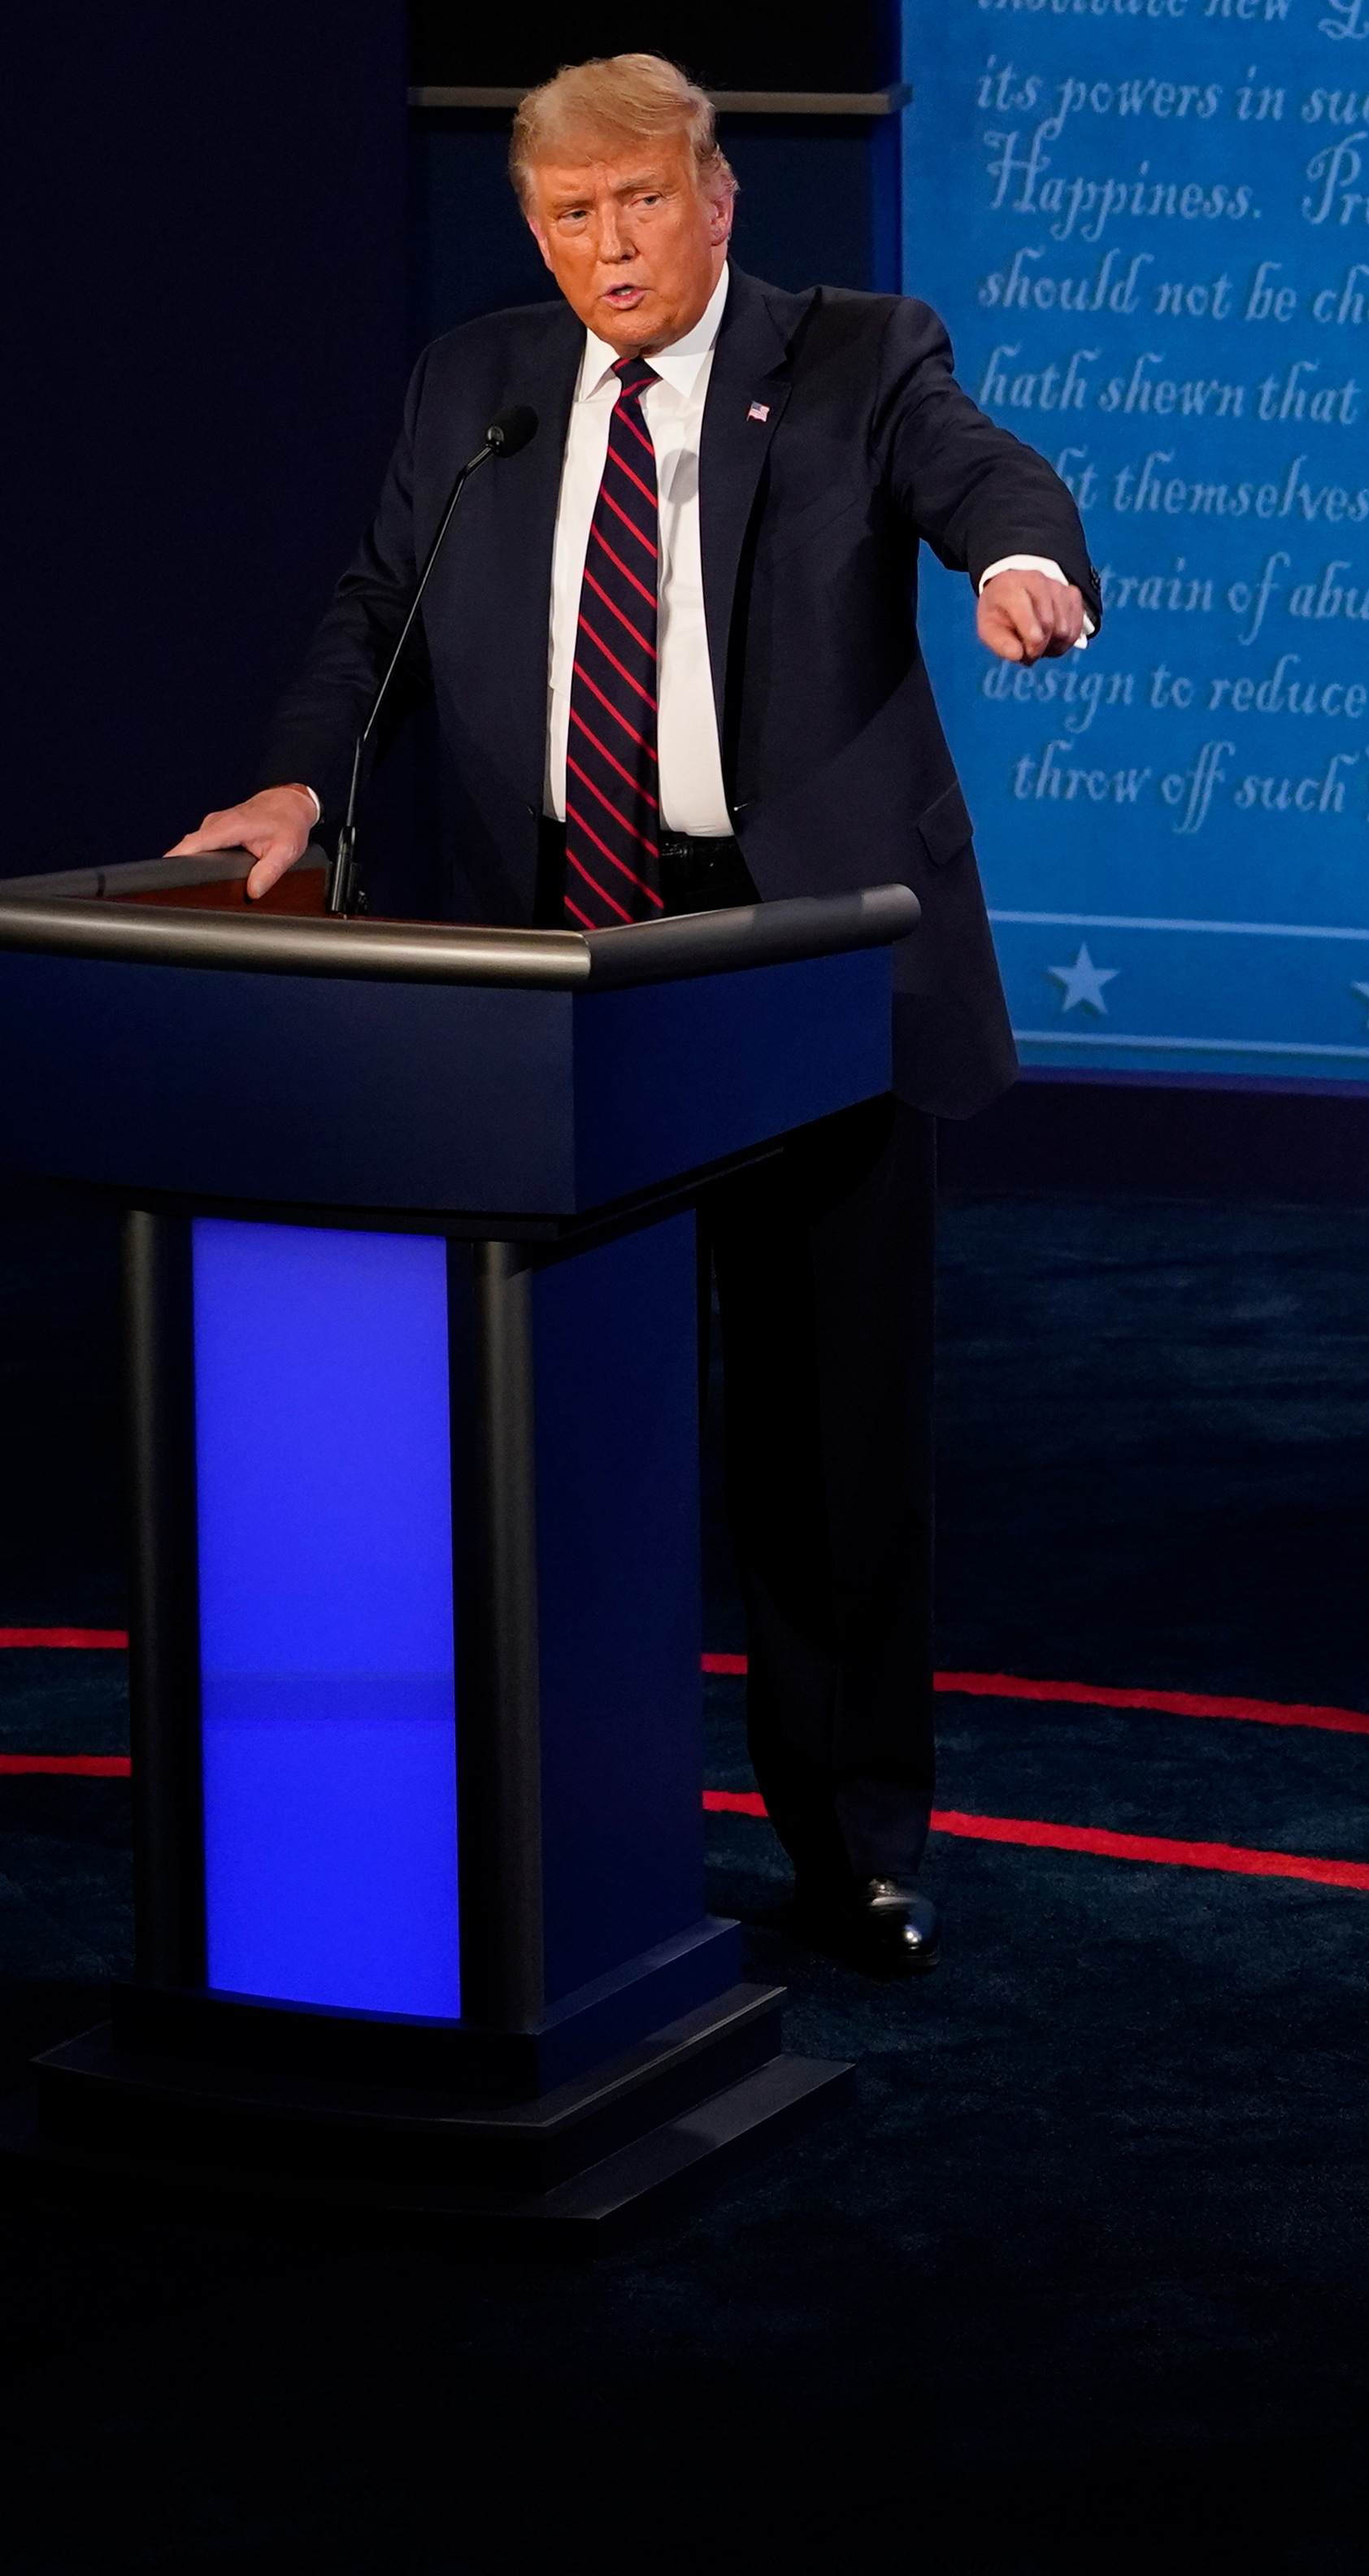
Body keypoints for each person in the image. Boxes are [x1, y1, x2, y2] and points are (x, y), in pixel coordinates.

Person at [168, 54, 1101, 1974]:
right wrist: (300, 786)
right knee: (553, 1428)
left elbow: (980, 475)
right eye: (573, 214)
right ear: (536, 229)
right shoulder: (477, 389)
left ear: (717, 199)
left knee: (829, 1439)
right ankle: (558, 1831)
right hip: (548, 976)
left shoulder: (857, 355)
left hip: (797, 967)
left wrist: (1023, 559)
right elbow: (378, 608)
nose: (611, 246)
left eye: (643, 203)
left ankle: (854, 1844)